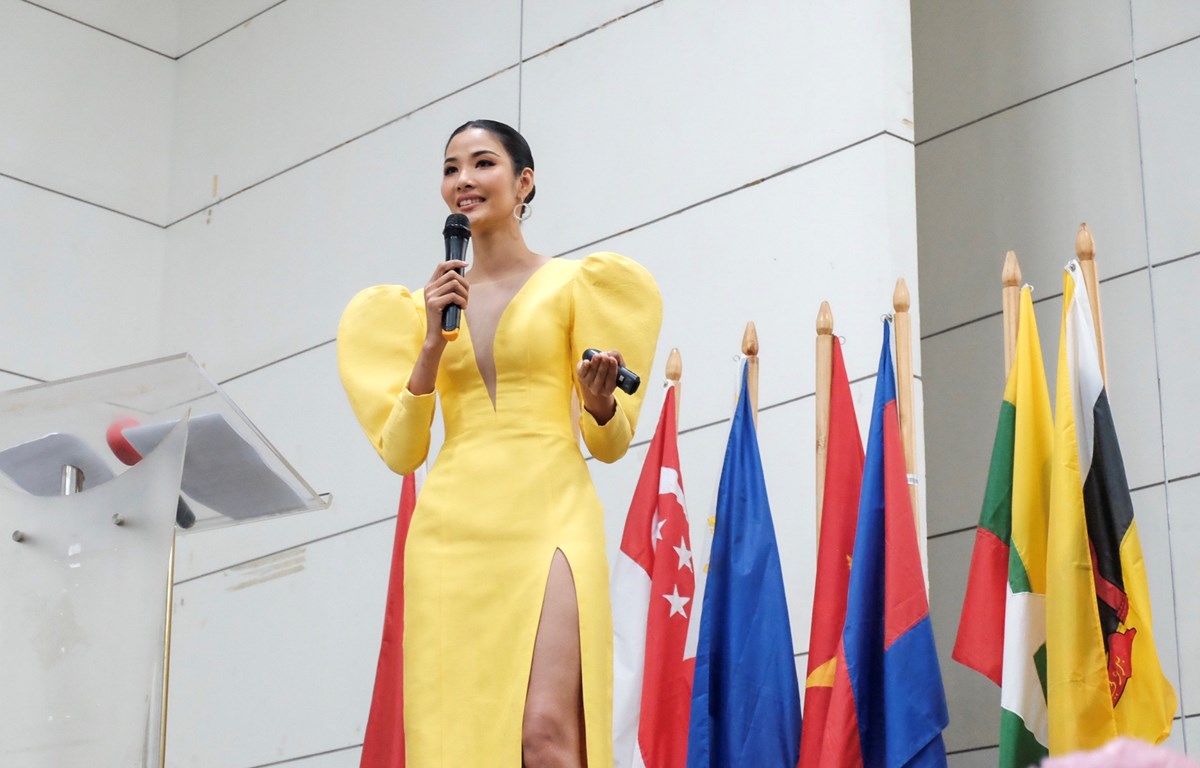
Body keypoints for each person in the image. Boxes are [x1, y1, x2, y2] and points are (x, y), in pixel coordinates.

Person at [337, 119, 662, 767]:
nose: (464, 179)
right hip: (452, 531)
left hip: (551, 513)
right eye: (451, 168)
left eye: (482, 163)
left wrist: (599, 402)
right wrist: (430, 344)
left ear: (524, 183)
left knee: (545, 735)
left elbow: (609, 445)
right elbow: (402, 452)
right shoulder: (416, 310)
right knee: (459, 744)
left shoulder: (579, 284)